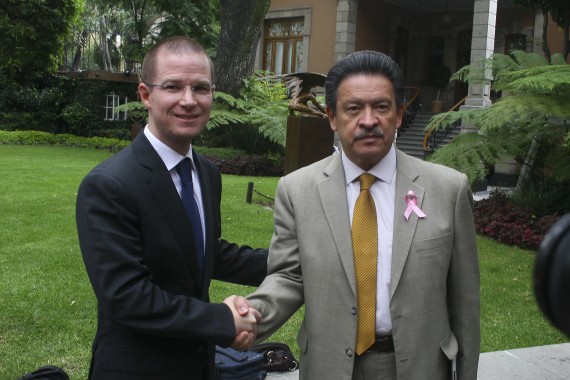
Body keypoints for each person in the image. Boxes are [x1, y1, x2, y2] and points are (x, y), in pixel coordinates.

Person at [247, 50, 480, 379]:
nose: (368, 120)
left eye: (381, 107)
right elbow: (288, 277)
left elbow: (465, 304)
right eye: (353, 108)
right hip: (330, 367)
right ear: (332, 117)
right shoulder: (296, 191)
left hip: (421, 367)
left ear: (399, 115)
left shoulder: (449, 190)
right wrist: (249, 316)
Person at [76, 36, 267, 380]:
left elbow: (203, 253)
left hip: (198, 367)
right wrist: (222, 320)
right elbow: (127, 297)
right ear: (146, 95)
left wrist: (290, 262)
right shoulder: (109, 185)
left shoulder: (207, 173)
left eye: (201, 88)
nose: (189, 100)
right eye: (173, 87)